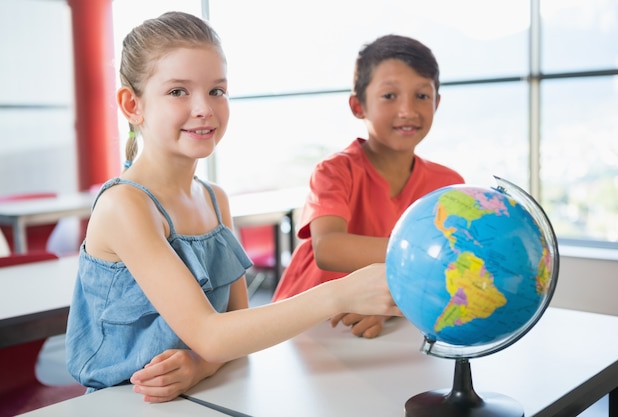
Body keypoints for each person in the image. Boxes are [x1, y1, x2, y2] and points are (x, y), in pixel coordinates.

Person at [65, 11, 400, 404]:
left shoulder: (214, 198)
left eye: (216, 91)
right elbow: (211, 334)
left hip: (206, 395)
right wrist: (338, 294)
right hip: (122, 403)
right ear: (132, 104)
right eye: (178, 92)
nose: (204, 108)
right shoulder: (126, 205)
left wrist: (201, 365)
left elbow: (235, 330)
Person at [272, 34, 464, 338]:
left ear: (437, 103)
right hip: (303, 329)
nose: (407, 111)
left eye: (422, 96)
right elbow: (329, 248)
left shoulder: (449, 186)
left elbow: (442, 277)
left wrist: (387, 310)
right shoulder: (335, 171)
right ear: (358, 105)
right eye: (390, 96)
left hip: (375, 330)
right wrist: (425, 252)